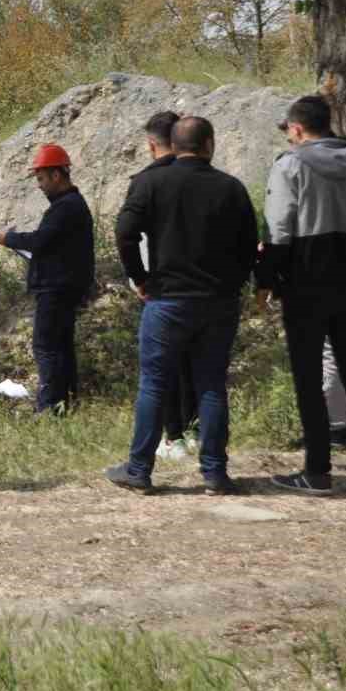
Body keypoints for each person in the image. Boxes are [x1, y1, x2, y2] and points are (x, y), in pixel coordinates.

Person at [109, 116, 257, 495]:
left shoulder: (150, 183)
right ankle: (215, 473)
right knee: (211, 385)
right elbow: (248, 246)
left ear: (172, 146)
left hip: (167, 300)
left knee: (154, 385)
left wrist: (140, 277)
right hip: (218, 302)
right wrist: (234, 284)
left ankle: (139, 470)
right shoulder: (231, 188)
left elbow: (125, 232)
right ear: (209, 144)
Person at [257, 94, 346, 494]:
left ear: (297, 129)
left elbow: (279, 230)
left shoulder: (291, 164)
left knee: (307, 374)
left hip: (305, 277)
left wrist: (265, 279)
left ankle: (317, 471)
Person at [0, 143, 94, 413]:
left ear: (56, 175)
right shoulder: (71, 205)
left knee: (46, 347)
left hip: (57, 289)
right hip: (65, 287)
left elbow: (40, 241)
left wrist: (9, 238)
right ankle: (66, 403)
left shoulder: (65, 208)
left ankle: (49, 407)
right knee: (61, 347)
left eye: (41, 178)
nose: (39, 185)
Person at [136, 111, 199, 460]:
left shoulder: (148, 182)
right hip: (204, 288)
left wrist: (140, 279)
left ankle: (172, 436)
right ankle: (196, 433)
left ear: (151, 145)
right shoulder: (207, 179)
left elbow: (132, 235)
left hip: (161, 287)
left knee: (162, 368)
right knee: (196, 366)